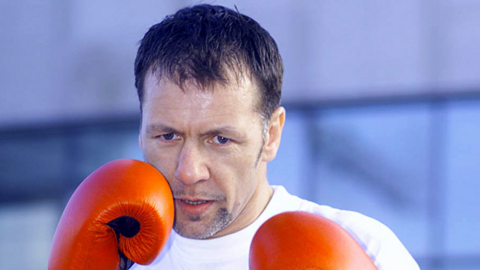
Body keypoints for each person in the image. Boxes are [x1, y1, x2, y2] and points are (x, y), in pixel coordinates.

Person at [132, 4, 419, 270]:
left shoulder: (362, 244)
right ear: (142, 134)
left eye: (220, 139)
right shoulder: (113, 255)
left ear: (271, 135)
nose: (189, 172)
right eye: (168, 135)